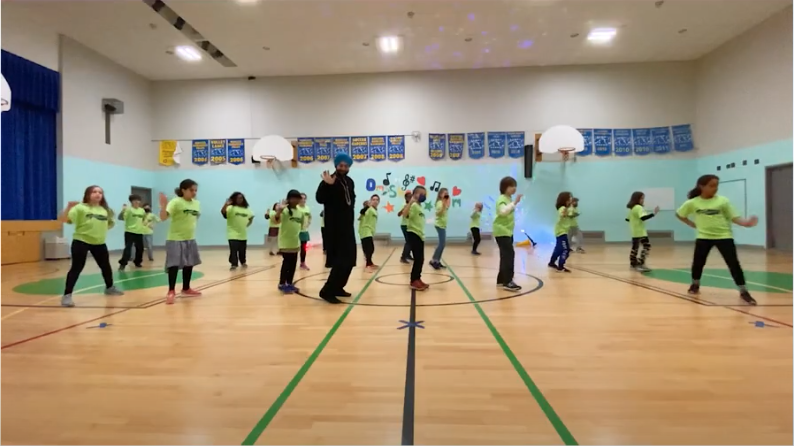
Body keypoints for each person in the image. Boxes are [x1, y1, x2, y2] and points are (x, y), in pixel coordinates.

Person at [676, 174, 758, 305]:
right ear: (701, 186)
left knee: (734, 264)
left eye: (716, 185)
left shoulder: (723, 201)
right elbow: (679, 214)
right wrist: (691, 224)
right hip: (703, 237)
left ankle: (744, 292)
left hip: (724, 237)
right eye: (712, 186)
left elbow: (734, 217)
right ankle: (695, 284)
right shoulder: (692, 203)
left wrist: (746, 223)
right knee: (698, 263)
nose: (715, 188)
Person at [60, 185, 124, 307]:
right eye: (94, 192)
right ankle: (67, 296)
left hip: (99, 243)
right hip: (81, 241)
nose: (97, 194)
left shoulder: (105, 210)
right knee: (76, 268)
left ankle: (110, 288)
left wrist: (101, 228)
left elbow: (110, 223)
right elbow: (63, 219)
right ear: (88, 194)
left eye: (100, 192)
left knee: (106, 266)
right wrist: (68, 207)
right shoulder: (80, 208)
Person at [316, 152, 357, 304]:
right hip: (334, 227)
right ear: (336, 166)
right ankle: (327, 290)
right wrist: (328, 185)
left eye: (346, 166)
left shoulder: (350, 182)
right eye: (341, 165)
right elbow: (320, 198)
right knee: (341, 260)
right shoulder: (329, 179)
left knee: (350, 259)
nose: (343, 168)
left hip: (347, 226)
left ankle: (338, 287)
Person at [159, 179, 202, 305]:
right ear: (183, 190)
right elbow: (163, 218)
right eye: (191, 190)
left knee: (189, 264)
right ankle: (171, 291)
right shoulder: (176, 202)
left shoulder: (196, 204)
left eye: (195, 190)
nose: (194, 193)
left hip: (190, 238)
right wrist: (163, 206)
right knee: (173, 265)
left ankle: (186, 288)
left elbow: (195, 217)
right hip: (175, 238)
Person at [494, 177, 523, 290]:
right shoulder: (502, 198)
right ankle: (508, 281)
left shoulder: (508, 198)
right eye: (511, 186)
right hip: (502, 231)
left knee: (505, 255)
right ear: (505, 187)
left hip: (507, 231)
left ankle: (501, 280)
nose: (514, 188)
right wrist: (515, 202)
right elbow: (503, 211)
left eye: (515, 185)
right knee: (509, 255)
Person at [275, 190, 304, 293]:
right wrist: (279, 211)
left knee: (293, 264)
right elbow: (276, 220)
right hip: (285, 242)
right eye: (294, 198)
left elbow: (300, 226)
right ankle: (282, 283)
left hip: (295, 242)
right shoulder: (284, 211)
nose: (296, 200)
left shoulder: (300, 212)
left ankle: (290, 283)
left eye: (298, 198)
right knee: (286, 263)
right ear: (289, 199)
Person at [402, 185, 429, 291]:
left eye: (425, 194)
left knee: (420, 259)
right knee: (418, 259)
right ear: (416, 194)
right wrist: (411, 202)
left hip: (420, 235)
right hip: (413, 233)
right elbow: (404, 214)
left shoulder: (419, 207)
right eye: (422, 194)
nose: (424, 196)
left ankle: (418, 278)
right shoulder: (413, 205)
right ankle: (413, 281)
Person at [626, 192, 659, 272]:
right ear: (636, 199)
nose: (643, 200)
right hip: (640, 232)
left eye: (643, 198)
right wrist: (654, 214)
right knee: (647, 246)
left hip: (635, 232)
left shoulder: (632, 208)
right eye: (641, 198)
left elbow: (627, 219)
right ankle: (640, 263)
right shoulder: (638, 207)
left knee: (635, 248)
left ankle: (633, 264)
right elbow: (643, 218)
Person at [222, 191, 253, 270]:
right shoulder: (231, 208)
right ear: (234, 199)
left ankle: (243, 262)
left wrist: (248, 224)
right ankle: (234, 264)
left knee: (242, 251)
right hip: (232, 233)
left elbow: (251, 217)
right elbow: (223, 212)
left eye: (241, 198)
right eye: (238, 198)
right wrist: (226, 204)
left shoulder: (246, 209)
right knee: (234, 249)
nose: (240, 199)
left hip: (243, 234)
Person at [118, 194, 146, 270]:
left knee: (140, 248)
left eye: (138, 200)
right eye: (135, 200)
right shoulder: (128, 210)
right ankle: (123, 264)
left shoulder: (142, 210)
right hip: (129, 232)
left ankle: (137, 262)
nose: (137, 202)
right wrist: (123, 210)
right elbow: (121, 218)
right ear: (131, 202)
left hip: (139, 232)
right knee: (128, 248)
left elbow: (143, 219)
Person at [548, 191, 573, 273]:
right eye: (570, 197)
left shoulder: (565, 208)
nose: (571, 199)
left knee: (558, 249)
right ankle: (560, 267)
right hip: (561, 232)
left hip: (561, 232)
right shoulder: (563, 208)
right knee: (566, 250)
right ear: (565, 199)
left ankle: (551, 262)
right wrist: (564, 213)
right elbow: (562, 214)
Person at [429, 187, 450, 269]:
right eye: (444, 193)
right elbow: (439, 213)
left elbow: (448, 206)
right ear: (440, 195)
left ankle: (437, 261)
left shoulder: (444, 202)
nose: (446, 194)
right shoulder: (439, 203)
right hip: (439, 225)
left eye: (447, 193)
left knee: (443, 244)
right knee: (442, 244)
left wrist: (446, 200)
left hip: (443, 225)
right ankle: (434, 260)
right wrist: (444, 203)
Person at [358, 194, 380, 272]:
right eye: (373, 199)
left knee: (370, 248)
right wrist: (367, 206)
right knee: (369, 248)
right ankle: (368, 265)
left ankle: (370, 263)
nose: (375, 201)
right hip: (365, 230)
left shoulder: (374, 210)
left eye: (377, 200)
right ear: (370, 201)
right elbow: (362, 212)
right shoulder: (368, 208)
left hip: (370, 231)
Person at [398, 191, 414, 264]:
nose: (410, 198)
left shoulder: (413, 205)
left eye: (411, 196)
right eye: (409, 197)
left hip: (410, 225)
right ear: (406, 198)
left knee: (410, 241)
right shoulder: (404, 204)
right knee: (409, 241)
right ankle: (403, 257)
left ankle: (407, 255)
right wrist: (403, 209)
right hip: (405, 225)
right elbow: (399, 214)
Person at [297, 193, 312, 271]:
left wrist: (308, 223)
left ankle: (302, 263)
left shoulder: (307, 208)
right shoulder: (296, 208)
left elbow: (309, 217)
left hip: (304, 231)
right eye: (301, 198)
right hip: (296, 232)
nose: (303, 200)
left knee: (303, 248)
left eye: (304, 198)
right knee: (294, 249)